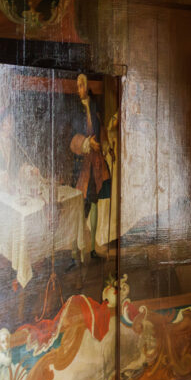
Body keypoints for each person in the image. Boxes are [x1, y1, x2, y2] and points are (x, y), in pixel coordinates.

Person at [69, 73, 112, 258]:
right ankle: (73, 251)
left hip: (95, 165)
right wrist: (87, 143)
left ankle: (92, 249)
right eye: (78, 85)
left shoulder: (94, 107)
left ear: (87, 87)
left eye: (83, 85)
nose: (80, 88)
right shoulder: (74, 110)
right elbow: (70, 138)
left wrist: (104, 146)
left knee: (94, 204)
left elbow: (101, 130)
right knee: (78, 207)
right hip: (81, 166)